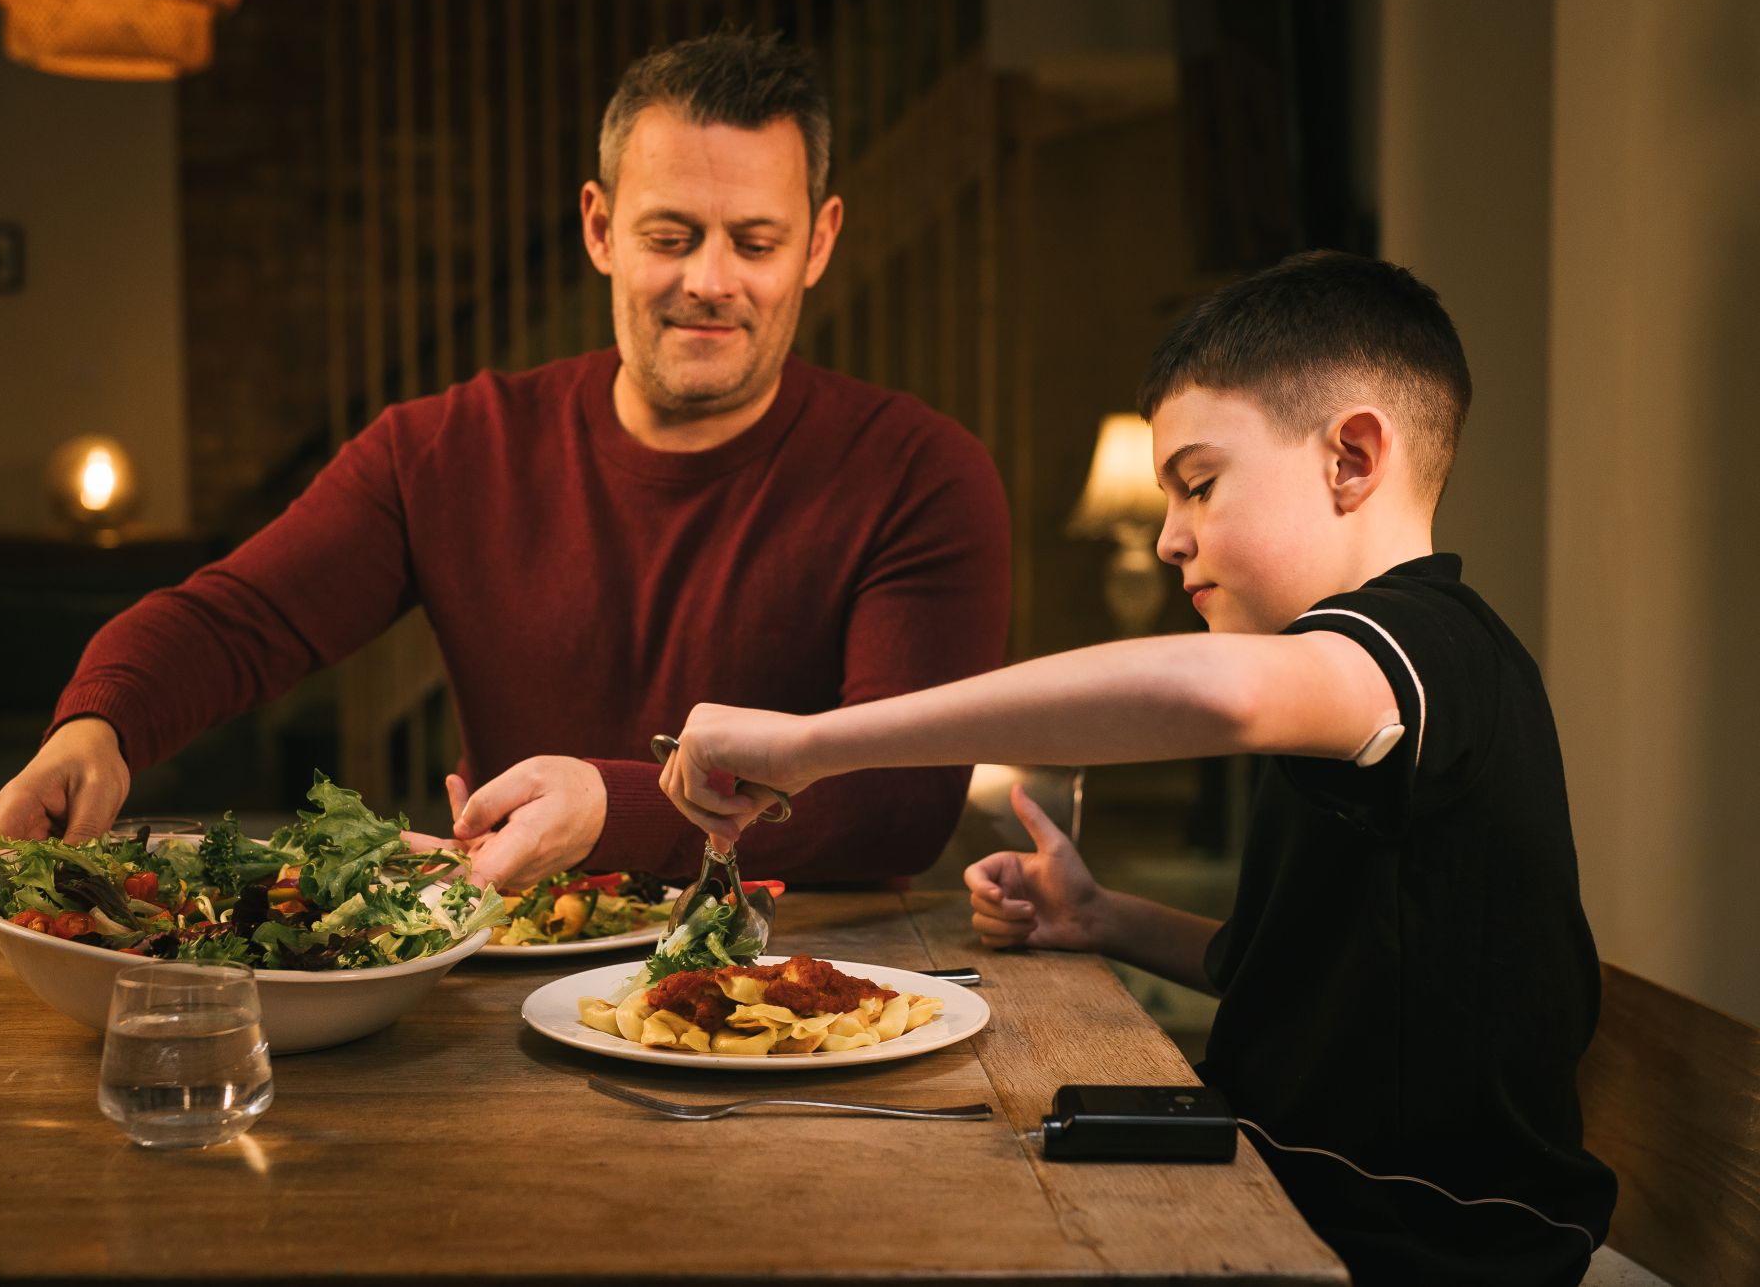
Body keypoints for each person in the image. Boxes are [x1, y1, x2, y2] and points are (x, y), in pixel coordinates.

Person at [659, 251, 1616, 1286]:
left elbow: (1219, 690)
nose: (1168, 538)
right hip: (1276, 1192)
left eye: (1197, 485)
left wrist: (810, 744)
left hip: (1422, 1246)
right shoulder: (1358, 702)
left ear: (1350, 458)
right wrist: (1104, 917)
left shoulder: (1425, 646)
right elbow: (1308, 973)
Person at [0, 30, 1010, 889]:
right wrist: (100, 725)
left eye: (753, 240)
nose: (709, 279)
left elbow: (893, 803)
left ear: (817, 244)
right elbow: (239, 617)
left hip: (813, 1001)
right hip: (509, 975)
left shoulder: (920, 474)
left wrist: (608, 811)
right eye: (670, 234)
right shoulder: (442, 449)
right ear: (599, 228)